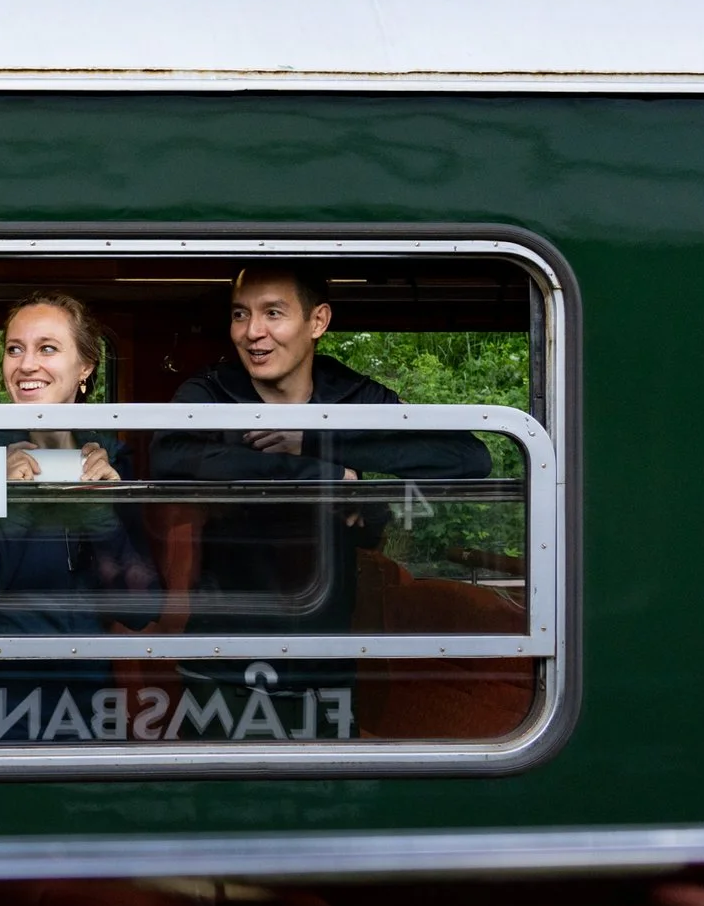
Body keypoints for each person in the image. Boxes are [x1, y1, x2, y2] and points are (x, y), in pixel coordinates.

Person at [151, 262, 489, 630]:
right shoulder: (211, 391)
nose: (252, 332)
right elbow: (170, 457)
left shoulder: (351, 393)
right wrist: (328, 475)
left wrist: (312, 440)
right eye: (240, 314)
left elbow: (469, 458)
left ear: (318, 321)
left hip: (330, 629)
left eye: (273, 313)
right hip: (226, 627)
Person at [0, 293, 160, 640]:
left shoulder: (110, 459)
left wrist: (101, 518)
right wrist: (15, 508)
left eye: (47, 348)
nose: (26, 365)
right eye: (14, 349)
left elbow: (142, 610)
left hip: (85, 671)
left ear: (85, 366)